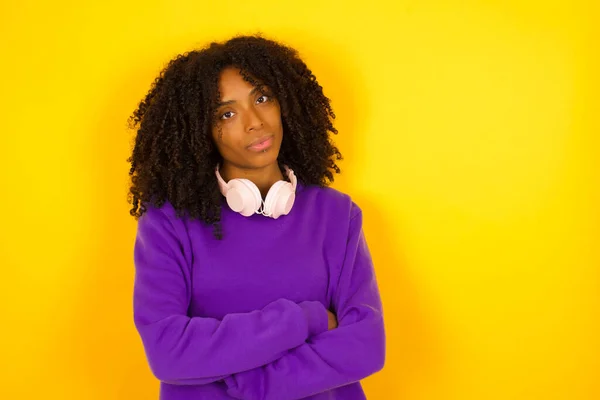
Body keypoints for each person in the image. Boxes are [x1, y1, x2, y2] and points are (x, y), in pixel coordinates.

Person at [127, 33, 385, 400]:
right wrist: (304, 320)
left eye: (262, 98)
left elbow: (365, 346)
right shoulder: (168, 224)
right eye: (227, 113)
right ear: (202, 131)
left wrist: (247, 383)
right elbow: (169, 353)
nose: (254, 123)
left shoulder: (336, 215)